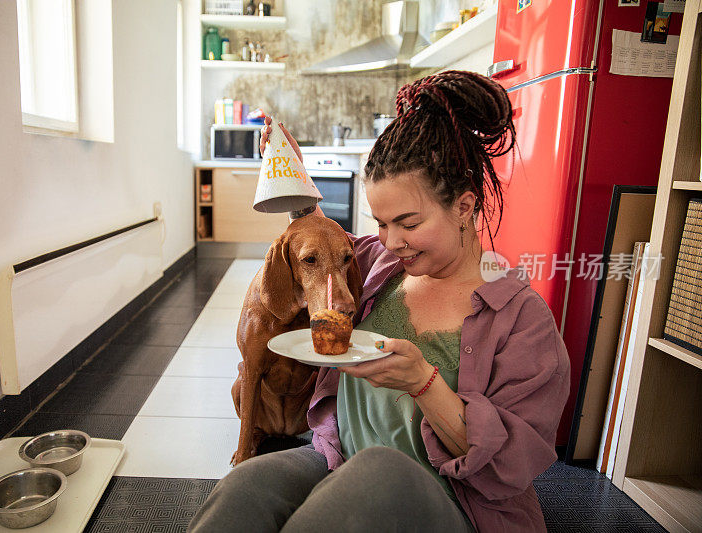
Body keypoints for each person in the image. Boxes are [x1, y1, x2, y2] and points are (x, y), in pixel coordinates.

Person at [190, 71, 570, 532]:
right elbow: (320, 244)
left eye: (408, 224)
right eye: (381, 223)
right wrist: (287, 166)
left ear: (465, 208)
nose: (391, 242)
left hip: (458, 503)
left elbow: (508, 467)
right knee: (245, 489)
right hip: (339, 460)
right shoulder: (377, 267)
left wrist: (422, 381)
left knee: (377, 473)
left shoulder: (521, 320)